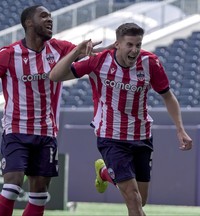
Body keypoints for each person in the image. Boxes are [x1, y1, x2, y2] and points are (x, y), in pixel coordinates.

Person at [0, 5, 105, 216]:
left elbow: (89, 53)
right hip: (16, 130)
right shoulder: (8, 54)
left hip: (47, 133)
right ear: (29, 23)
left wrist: (116, 47)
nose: (50, 19)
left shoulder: (59, 48)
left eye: (51, 16)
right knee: (12, 186)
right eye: (44, 16)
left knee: (40, 194)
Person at [49, 22, 193, 216]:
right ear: (117, 44)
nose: (134, 50)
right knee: (133, 199)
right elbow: (55, 76)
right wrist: (76, 52)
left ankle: (104, 173)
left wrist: (180, 128)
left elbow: (168, 96)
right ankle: (108, 171)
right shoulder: (99, 60)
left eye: (138, 45)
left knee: (141, 199)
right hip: (111, 136)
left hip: (141, 135)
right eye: (130, 45)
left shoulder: (151, 63)